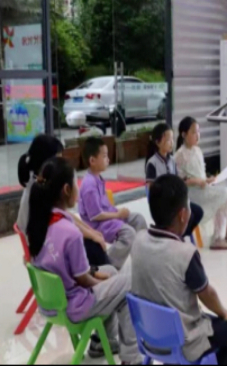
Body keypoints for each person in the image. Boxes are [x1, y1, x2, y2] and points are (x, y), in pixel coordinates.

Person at [27, 157, 142, 364]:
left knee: (111, 271)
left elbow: (64, 268)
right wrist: (101, 281)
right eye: (75, 184)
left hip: (51, 304)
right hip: (75, 305)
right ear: (66, 190)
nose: (78, 189)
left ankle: (102, 342)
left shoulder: (37, 224)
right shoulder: (70, 233)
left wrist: (98, 273)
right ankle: (131, 359)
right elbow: (83, 280)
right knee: (130, 282)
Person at [131, 174, 227, 365]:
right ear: (183, 214)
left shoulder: (138, 240)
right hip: (181, 341)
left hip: (149, 336)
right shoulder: (185, 253)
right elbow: (207, 294)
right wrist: (225, 313)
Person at [17, 134, 109, 267]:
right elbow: (65, 222)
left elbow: (65, 214)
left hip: (43, 248)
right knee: (92, 248)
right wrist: (91, 235)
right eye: (58, 158)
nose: (60, 162)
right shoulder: (40, 191)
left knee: (92, 244)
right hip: (47, 253)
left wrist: (91, 231)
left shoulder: (38, 184)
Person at [79, 137, 148, 270]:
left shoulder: (98, 178)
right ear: (92, 161)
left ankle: (141, 257)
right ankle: (107, 265)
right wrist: (118, 215)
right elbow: (95, 216)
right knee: (128, 233)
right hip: (98, 225)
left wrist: (118, 213)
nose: (108, 159)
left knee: (138, 219)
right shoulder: (89, 185)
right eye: (104, 156)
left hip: (109, 217)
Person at [175, 117, 227, 250]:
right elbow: (180, 181)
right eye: (194, 132)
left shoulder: (197, 150)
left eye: (198, 131)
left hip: (202, 188)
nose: (197, 135)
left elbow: (201, 174)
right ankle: (218, 238)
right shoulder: (180, 155)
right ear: (184, 134)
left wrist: (209, 179)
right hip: (193, 193)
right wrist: (197, 181)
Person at [145, 123, 205, 239]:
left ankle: (179, 236)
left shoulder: (172, 160)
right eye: (168, 140)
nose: (171, 143)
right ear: (158, 142)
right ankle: (177, 237)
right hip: (162, 202)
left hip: (174, 200)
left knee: (197, 212)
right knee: (185, 215)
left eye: (172, 139)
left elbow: (177, 180)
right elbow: (151, 188)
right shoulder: (152, 163)